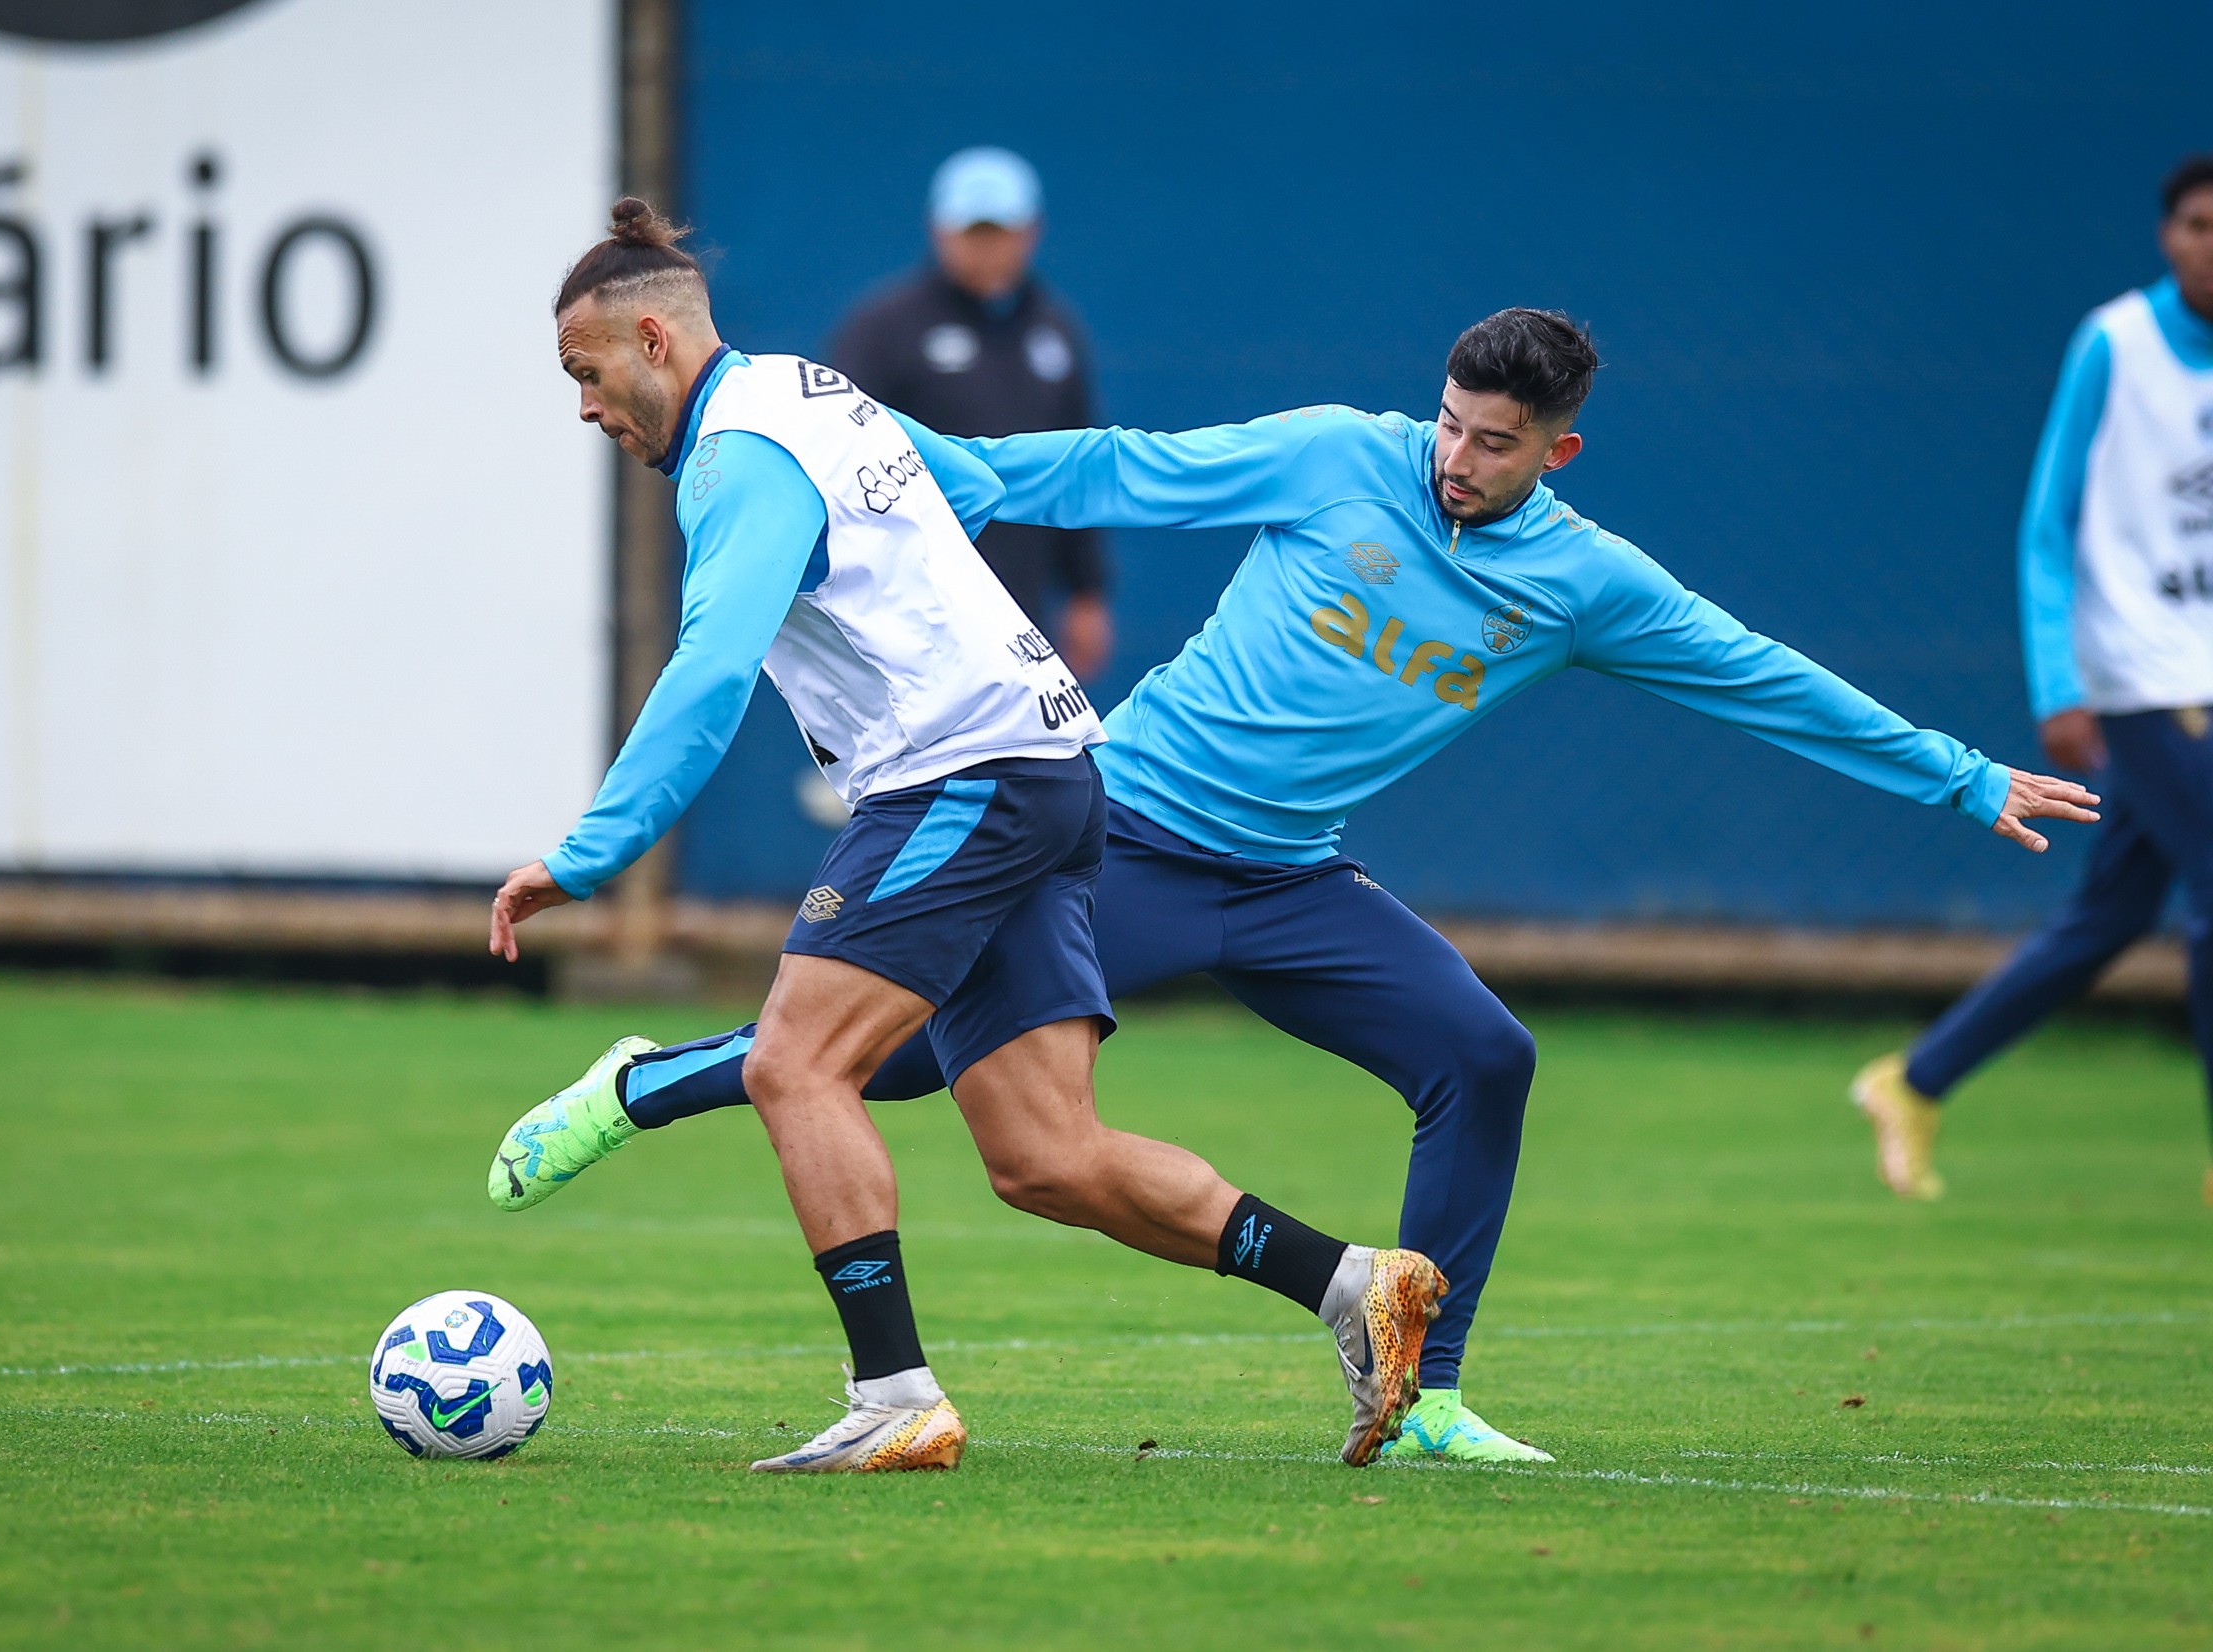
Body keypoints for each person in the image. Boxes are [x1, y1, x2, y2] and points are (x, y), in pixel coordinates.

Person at [515, 306, 2100, 1462]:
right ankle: (642, 1087)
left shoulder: (1587, 584)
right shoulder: (1344, 456)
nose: (1457, 458)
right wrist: (945, 470)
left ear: (1561, 451)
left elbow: (1757, 674)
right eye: (1451, 424)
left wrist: (1960, 776)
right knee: (909, 1060)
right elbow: (1129, 468)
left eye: (1496, 443)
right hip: (1123, 829)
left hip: (1293, 882)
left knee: (1483, 1054)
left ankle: (1429, 1397)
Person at [484, 198, 1448, 1475]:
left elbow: (711, 664)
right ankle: (1352, 1285)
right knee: (1048, 1156)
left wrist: (588, 852)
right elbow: (977, 483)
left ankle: (892, 1395)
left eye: (586, 372)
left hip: (957, 775)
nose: (586, 406)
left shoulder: (732, 459)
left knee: (794, 1065)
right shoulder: (807, 390)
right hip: (1049, 767)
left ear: (652, 340)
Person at [1853, 155, 2213, 1206]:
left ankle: (1914, 1080)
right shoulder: (2116, 342)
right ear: (2167, 235)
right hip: (2140, 675)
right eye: (2199, 224)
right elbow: (2048, 526)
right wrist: (2059, 683)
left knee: (2111, 916)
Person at [826, 147, 1114, 679]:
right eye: (972, 233)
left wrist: (1086, 590)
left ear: (1030, 232)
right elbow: (834, 451)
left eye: (998, 233)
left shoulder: (1056, 331)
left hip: (1020, 599)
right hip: (910, 599)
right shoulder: (884, 328)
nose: (986, 249)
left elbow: (1078, 463)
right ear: (939, 231)